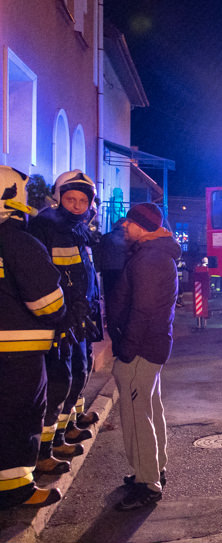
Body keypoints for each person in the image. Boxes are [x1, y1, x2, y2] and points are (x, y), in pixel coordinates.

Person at [0, 167, 67, 509]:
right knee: (19, 418)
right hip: (19, 355)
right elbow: (48, 303)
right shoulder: (19, 243)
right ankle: (16, 489)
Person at [28, 170, 102, 474]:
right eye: (70, 199)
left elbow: (84, 273)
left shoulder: (79, 228)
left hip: (80, 316)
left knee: (80, 370)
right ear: (60, 198)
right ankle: (47, 448)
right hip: (61, 319)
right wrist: (62, 315)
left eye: (81, 200)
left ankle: (67, 426)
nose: (75, 205)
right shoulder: (47, 225)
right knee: (59, 381)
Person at [108, 202, 180, 511]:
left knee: (137, 417)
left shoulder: (149, 259)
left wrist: (126, 348)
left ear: (142, 226)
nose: (124, 226)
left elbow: (142, 310)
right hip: (151, 346)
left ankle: (147, 484)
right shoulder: (154, 255)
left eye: (129, 222)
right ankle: (153, 469)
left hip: (140, 349)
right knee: (150, 409)